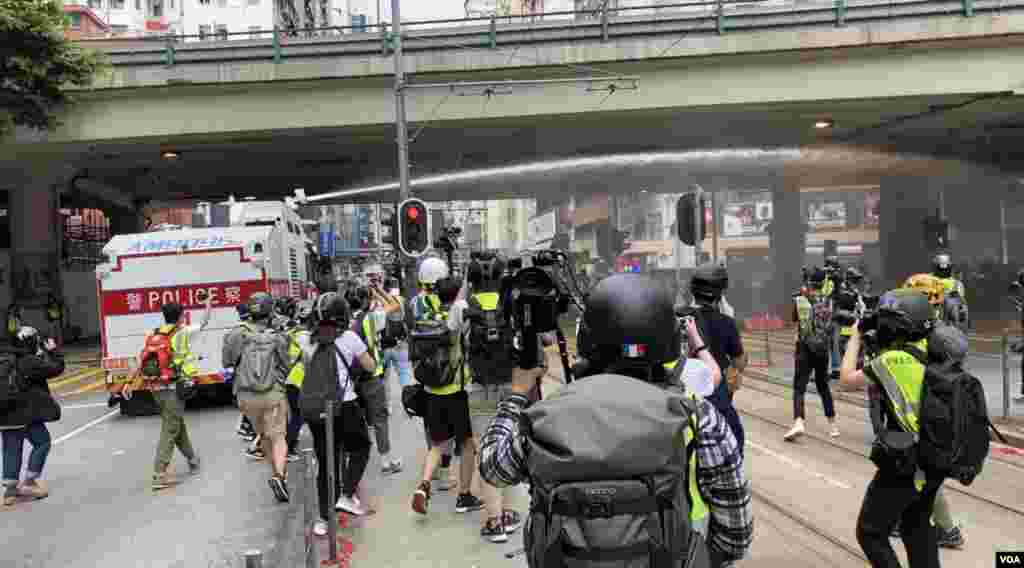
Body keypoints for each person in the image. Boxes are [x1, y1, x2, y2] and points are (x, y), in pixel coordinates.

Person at [480, 274, 753, 567]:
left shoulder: (546, 417)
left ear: (587, 341)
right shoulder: (700, 419)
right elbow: (735, 536)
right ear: (670, 341)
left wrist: (517, 396)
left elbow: (493, 468)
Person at [840, 288, 942, 568]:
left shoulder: (891, 361)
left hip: (904, 462)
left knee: (870, 532)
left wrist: (857, 334)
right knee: (917, 528)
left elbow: (846, 380)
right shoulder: (934, 352)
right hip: (934, 461)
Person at [462, 254, 524, 542]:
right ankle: (509, 513)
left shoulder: (464, 306)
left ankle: (494, 521)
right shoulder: (511, 305)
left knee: (485, 452)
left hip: (479, 387)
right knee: (507, 446)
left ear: (471, 279)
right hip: (509, 386)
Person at [410, 276, 485, 516]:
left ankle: (424, 484)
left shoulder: (429, 316)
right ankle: (464, 495)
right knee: (467, 444)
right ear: (457, 294)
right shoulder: (459, 317)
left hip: (431, 390)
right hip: (456, 391)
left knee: (438, 444)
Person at [303, 292, 375, 532]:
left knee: (326, 463)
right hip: (345, 405)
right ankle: (346, 494)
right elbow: (370, 366)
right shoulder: (350, 338)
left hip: (316, 410)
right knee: (361, 446)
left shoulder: (307, 340)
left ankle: (323, 520)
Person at [124, 298, 211, 490]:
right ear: (181, 316)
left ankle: (192, 459)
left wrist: (129, 382)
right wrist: (208, 303)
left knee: (176, 424)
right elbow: (205, 321)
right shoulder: (183, 332)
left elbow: (140, 360)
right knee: (170, 430)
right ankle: (159, 474)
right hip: (174, 388)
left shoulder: (153, 334)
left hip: (156, 388)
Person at [222, 292, 292, 503]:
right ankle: (279, 475)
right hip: (272, 393)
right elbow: (286, 364)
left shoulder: (236, 334)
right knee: (278, 437)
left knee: (264, 436)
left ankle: (276, 475)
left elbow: (227, 361)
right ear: (270, 311)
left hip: (246, 396)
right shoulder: (278, 335)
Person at [688, 264, 748, 452]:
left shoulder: (680, 318)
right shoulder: (727, 322)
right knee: (737, 439)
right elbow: (739, 363)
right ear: (720, 294)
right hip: (717, 401)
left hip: (684, 401)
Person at [1, 327, 63, 506]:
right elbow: (56, 368)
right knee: (42, 442)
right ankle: (29, 481)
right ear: (31, 342)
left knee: (10, 449)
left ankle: (10, 492)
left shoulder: (6, 360)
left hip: (5, 414)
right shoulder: (29, 361)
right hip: (25, 414)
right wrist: (53, 351)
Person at [348, 284, 403, 475]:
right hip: (371, 377)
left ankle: (350, 461)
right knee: (379, 419)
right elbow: (395, 305)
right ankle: (386, 461)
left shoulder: (346, 320)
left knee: (356, 421)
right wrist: (379, 290)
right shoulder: (372, 318)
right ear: (367, 300)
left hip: (350, 380)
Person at [412, 256, 457, 492]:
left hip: (424, 373)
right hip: (451, 372)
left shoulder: (415, 304)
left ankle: (435, 469)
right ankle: (447, 471)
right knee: (453, 426)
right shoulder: (450, 304)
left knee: (432, 425)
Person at [786, 267, 839, 441]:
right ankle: (832, 425)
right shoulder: (829, 301)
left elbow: (794, 318)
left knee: (799, 387)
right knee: (823, 386)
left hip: (804, 348)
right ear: (823, 282)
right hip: (823, 349)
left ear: (809, 282)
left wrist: (800, 298)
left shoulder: (800, 299)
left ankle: (799, 421)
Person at [284, 300, 315, 463]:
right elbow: (308, 359)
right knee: (298, 416)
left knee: (298, 415)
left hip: (291, 380)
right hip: (298, 380)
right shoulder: (304, 336)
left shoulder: (293, 332)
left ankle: (289, 445)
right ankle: (288, 447)